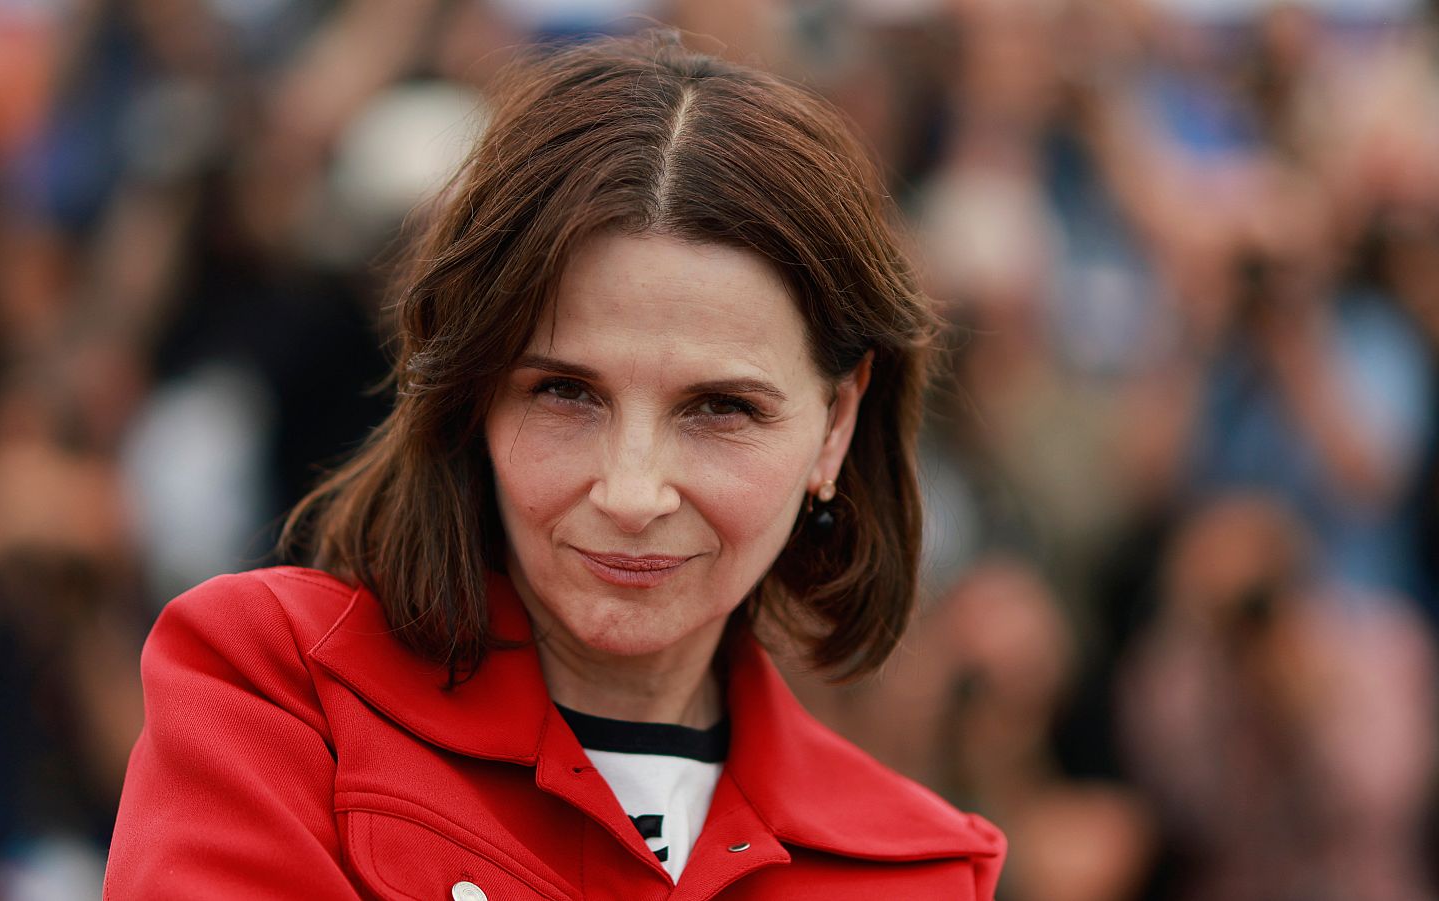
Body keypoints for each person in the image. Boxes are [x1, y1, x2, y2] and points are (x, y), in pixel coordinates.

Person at [104, 31, 1006, 899]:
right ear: (473, 393)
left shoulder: (919, 868)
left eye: (720, 408)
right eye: (566, 392)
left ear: (836, 423)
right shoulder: (273, 691)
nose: (632, 492)